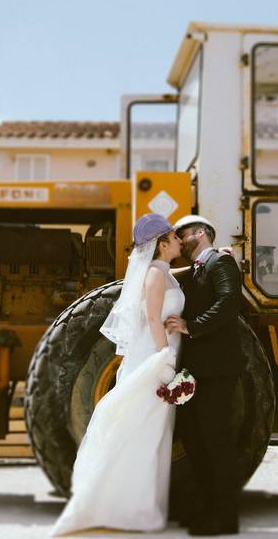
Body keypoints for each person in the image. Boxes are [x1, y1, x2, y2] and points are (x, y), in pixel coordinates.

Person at [50, 213, 184, 536]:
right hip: (154, 356)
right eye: (175, 235)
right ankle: (128, 507)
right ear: (162, 244)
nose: (181, 239)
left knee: (153, 431)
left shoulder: (162, 271)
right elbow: (153, 318)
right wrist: (165, 358)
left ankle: (142, 505)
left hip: (159, 352)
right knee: (143, 430)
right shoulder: (154, 274)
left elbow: (168, 281)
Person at [165, 214, 245, 536]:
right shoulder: (202, 266)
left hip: (217, 369)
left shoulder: (219, 264)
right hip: (197, 372)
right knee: (196, 441)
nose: (179, 240)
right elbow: (164, 274)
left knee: (217, 443)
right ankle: (206, 509)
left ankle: (224, 517)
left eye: (182, 234)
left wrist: (191, 327)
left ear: (199, 232)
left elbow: (230, 301)